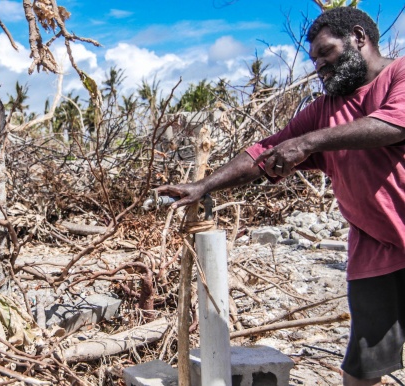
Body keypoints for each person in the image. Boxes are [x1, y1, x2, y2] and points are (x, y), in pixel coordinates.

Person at [156, 7, 405, 386]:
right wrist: (203, 186)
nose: (319, 66)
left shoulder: (400, 74)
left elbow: (391, 125)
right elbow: (265, 152)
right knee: (361, 367)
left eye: (326, 53)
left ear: (359, 37)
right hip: (376, 250)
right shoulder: (324, 110)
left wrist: (308, 142)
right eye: (314, 60)